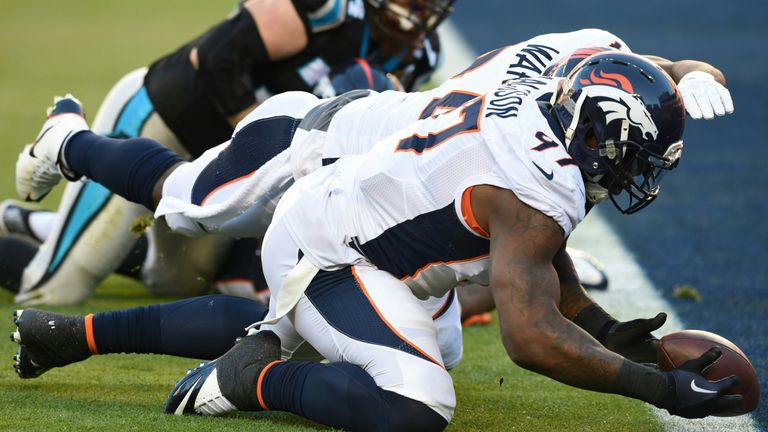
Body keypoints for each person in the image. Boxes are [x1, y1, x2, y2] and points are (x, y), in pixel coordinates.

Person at [14, 46, 741, 428]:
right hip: (326, 171)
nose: (639, 177)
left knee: (441, 346)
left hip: (384, 173)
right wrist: (661, 386)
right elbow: (532, 333)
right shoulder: (533, 190)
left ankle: (260, 338)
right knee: (193, 199)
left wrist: (693, 72)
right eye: (636, 158)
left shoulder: (574, 59)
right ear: (595, 133)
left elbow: (637, 76)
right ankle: (71, 142)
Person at [8, 0, 452, 306]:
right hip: (165, 122)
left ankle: (38, 224)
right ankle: (65, 150)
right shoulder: (325, 9)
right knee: (57, 289)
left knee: (177, 281)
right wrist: (262, 136)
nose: (420, 8)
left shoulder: (419, 55)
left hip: (227, 161)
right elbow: (217, 58)